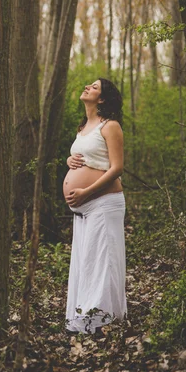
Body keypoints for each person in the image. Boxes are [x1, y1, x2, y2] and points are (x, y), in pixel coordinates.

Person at [63, 78, 126, 334]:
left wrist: (86, 192)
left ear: (101, 99)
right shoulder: (83, 127)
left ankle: (101, 321)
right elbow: (88, 159)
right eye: (87, 84)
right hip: (85, 208)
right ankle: (84, 317)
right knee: (87, 261)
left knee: (102, 260)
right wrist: (70, 160)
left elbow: (117, 167)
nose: (87, 86)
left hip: (104, 202)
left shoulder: (110, 126)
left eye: (94, 87)